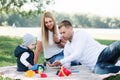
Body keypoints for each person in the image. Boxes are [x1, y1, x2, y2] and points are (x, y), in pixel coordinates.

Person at [49, 20, 120, 74]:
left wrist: (61, 61)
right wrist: (58, 65)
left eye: (64, 32)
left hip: (104, 53)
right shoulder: (67, 47)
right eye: (60, 33)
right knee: (98, 71)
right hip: (97, 65)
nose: (62, 35)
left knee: (117, 45)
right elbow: (67, 65)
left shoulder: (81, 34)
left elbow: (77, 53)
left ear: (71, 28)